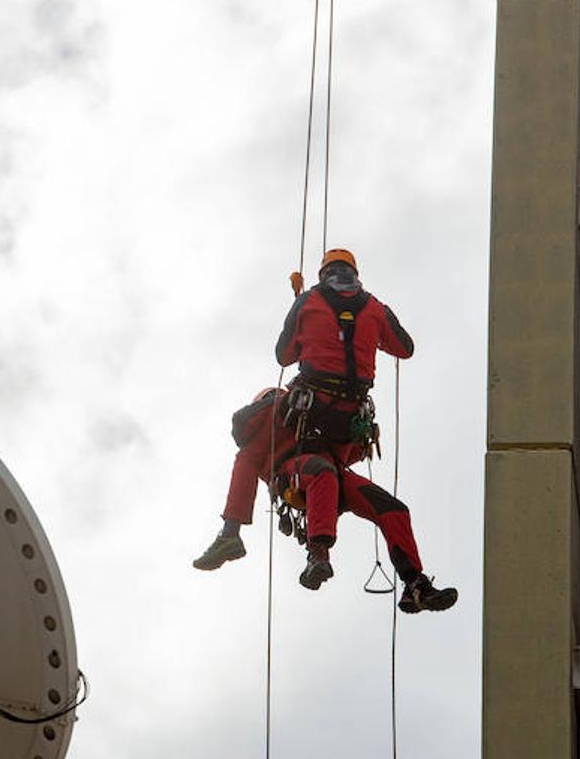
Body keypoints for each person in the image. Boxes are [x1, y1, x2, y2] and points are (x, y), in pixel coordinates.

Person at [192, 249, 457, 613]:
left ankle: (416, 585)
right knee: (321, 472)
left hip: (326, 466)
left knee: (392, 508)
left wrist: (304, 312)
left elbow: (284, 356)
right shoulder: (371, 308)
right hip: (302, 473)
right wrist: (232, 529)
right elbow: (404, 348)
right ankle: (317, 553)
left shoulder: (309, 307)